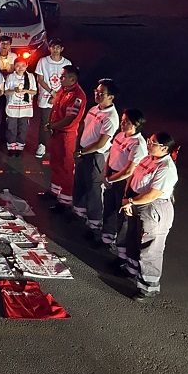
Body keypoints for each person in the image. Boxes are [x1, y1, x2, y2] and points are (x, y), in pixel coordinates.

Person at [120, 133, 179, 301]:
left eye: (153, 142)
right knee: (132, 238)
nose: (149, 144)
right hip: (136, 201)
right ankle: (131, 270)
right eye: (149, 141)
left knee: (151, 248)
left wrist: (131, 202)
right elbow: (133, 177)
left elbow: (153, 194)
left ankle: (149, 288)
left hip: (154, 207)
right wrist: (127, 197)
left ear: (164, 148)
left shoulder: (166, 168)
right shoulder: (149, 158)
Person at [73, 79, 120, 236]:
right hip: (83, 152)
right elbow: (83, 127)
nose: (98, 95)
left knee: (94, 188)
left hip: (96, 156)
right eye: (96, 91)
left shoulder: (111, 117)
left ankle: (95, 224)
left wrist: (82, 152)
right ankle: (79, 214)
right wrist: (78, 147)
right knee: (80, 182)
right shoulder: (94, 109)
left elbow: (101, 144)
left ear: (111, 97)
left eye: (102, 93)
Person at [101, 109, 147, 252]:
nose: (122, 124)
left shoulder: (138, 144)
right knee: (108, 209)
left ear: (136, 124)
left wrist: (110, 179)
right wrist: (105, 174)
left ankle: (121, 251)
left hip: (124, 182)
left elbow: (129, 170)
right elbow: (111, 155)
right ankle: (106, 238)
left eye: (126, 122)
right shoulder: (120, 135)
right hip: (112, 177)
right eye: (122, 120)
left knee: (122, 216)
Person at [45, 65, 87, 210]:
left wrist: (53, 126)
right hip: (57, 133)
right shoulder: (63, 90)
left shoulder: (77, 96)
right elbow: (55, 108)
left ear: (72, 79)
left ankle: (65, 200)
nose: (60, 78)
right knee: (55, 162)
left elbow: (69, 119)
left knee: (66, 167)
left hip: (66, 136)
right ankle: (54, 192)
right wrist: (51, 124)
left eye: (63, 76)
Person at [35, 38, 71, 158]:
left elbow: (69, 81)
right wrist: (51, 92)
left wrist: (58, 96)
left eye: (57, 47)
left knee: (60, 122)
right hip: (46, 97)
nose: (55, 50)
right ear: (49, 48)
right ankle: (42, 145)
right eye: (53, 47)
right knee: (45, 122)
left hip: (61, 98)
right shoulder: (43, 61)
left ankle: (58, 146)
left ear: (62, 49)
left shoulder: (67, 63)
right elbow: (40, 79)